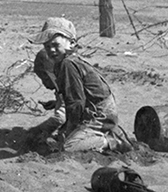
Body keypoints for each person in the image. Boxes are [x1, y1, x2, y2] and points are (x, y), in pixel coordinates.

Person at [28, 17, 132, 153]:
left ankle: (114, 140)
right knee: (63, 137)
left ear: (71, 44)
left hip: (101, 113)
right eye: (47, 47)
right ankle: (100, 133)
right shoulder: (65, 62)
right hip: (94, 109)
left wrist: (70, 129)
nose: (51, 50)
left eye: (55, 45)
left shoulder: (68, 64)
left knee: (69, 146)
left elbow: (76, 101)